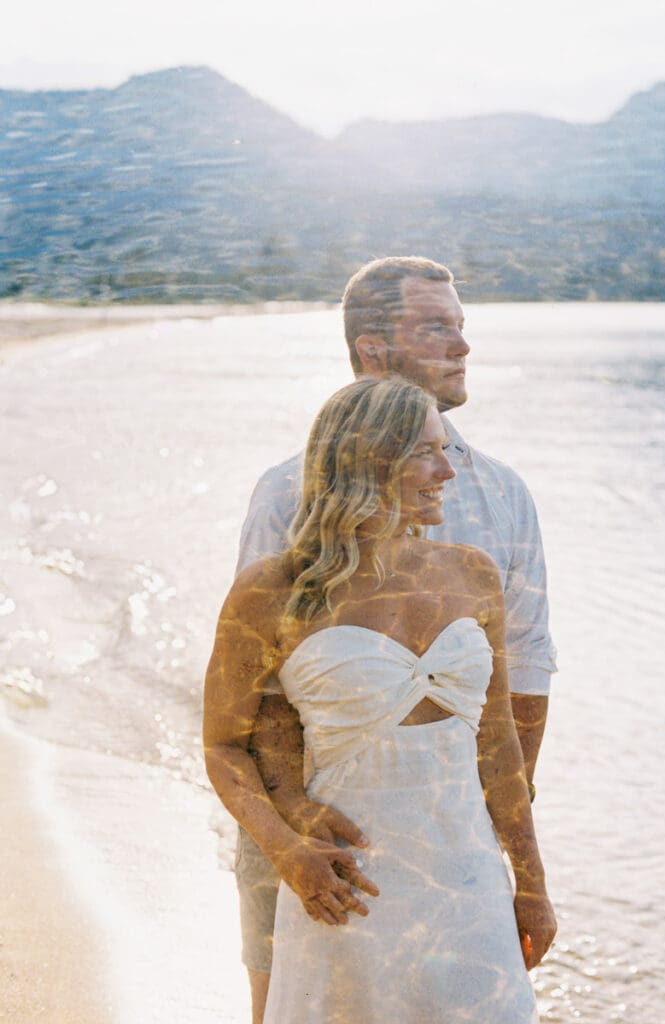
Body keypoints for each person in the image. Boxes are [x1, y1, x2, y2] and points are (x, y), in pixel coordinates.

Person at [234, 256, 557, 1021]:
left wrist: (499, 834)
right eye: (435, 327)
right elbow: (259, 682)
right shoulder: (287, 492)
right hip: (312, 827)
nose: (461, 346)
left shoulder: (502, 492)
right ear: (372, 348)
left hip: (453, 837)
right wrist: (286, 828)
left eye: (461, 326)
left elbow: (529, 674)